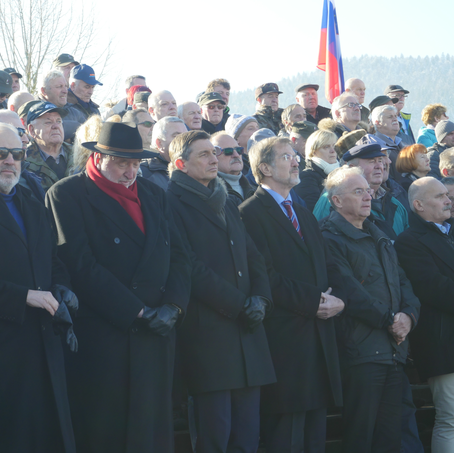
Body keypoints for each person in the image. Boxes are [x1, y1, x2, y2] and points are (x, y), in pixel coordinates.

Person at [46, 122, 191, 453]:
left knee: (153, 433)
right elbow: (79, 265)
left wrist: (174, 307)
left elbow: (181, 256)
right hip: (107, 333)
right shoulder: (67, 194)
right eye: (122, 163)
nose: (130, 172)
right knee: (108, 432)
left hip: (158, 331)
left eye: (136, 163)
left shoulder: (154, 194)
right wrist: (136, 311)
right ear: (97, 157)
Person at [0, 122, 77, 453]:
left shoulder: (31, 201)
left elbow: (52, 260)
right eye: (0, 154)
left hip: (41, 345)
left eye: (17, 154)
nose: (10, 161)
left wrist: (62, 287)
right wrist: (23, 297)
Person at [166, 130, 275, 453]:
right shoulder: (170, 203)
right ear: (181, 164)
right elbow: (189, 266)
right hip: (209, 338)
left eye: (214, 153)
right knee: (215, 436)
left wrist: (261, 298)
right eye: (204, 155)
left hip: (247, 334)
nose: (214, 159)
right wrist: (240, 304)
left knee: (247, 435)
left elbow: (253, 256)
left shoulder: (226, 200)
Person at [239, 136, 345, 453]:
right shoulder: (249, 213)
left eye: (295, 155)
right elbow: (265, 277)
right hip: (284, 342)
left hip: (318, 339)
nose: (296, 160)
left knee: (314, 436)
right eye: (287, 157)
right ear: (264, 168)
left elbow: (330, 265)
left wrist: (339, 298)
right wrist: (315, 302)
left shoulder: (303, 212)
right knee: (286, 436)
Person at [319, 166, 420, 453]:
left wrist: (409, 317)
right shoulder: (329, 238)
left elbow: (404, 284)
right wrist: (391, 320)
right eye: (358, 191)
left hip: (393, 351)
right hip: (360, 352)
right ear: (337, 200)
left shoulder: (380, 234)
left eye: (369, 190)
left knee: (390, 438)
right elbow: (350, 291)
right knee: (361, 437)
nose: (368, 196)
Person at [395, 177, 454, 453]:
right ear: (418, 205)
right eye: (440, 196)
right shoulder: (408, 242)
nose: (448, 199)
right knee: (450, 419)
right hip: (444, 345)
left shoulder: (449, 232)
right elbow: (434, 288)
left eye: (447, 194)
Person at [314, 136, 410, 240]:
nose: (379, 166)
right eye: (372, 161)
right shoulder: (330, 199)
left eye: (380, 160)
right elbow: (319, 238)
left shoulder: (395, 202)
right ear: (352, 167)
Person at [25, 101, 73, 190]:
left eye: (58, 121)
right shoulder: (23, 160)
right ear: (32, 130)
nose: (56, 126)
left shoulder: (79, 155)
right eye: (48, 122)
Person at [296, 129, 339, 208]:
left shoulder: (342, 172)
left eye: (334, 146)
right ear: (313, 151)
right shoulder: (307, 177)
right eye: (326, 147)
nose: (333, 151)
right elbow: (313, 211)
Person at [140, 116, 186, 189]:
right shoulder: (145, 174)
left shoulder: (194, 166)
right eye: (177, 136)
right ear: (159, 143)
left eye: (186, 136)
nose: (184, 141)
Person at [211, 131, 255, 203]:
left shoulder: (254, 190)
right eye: (228, 151)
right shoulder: (212, 192)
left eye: (239, 150)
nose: (236, 155)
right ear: (214, 156)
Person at [372, 105, 404, 179]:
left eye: (395, 116)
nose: (395, 119)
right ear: (378, 123)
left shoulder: (402, 143)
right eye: (390, 117)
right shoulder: (377, 147)